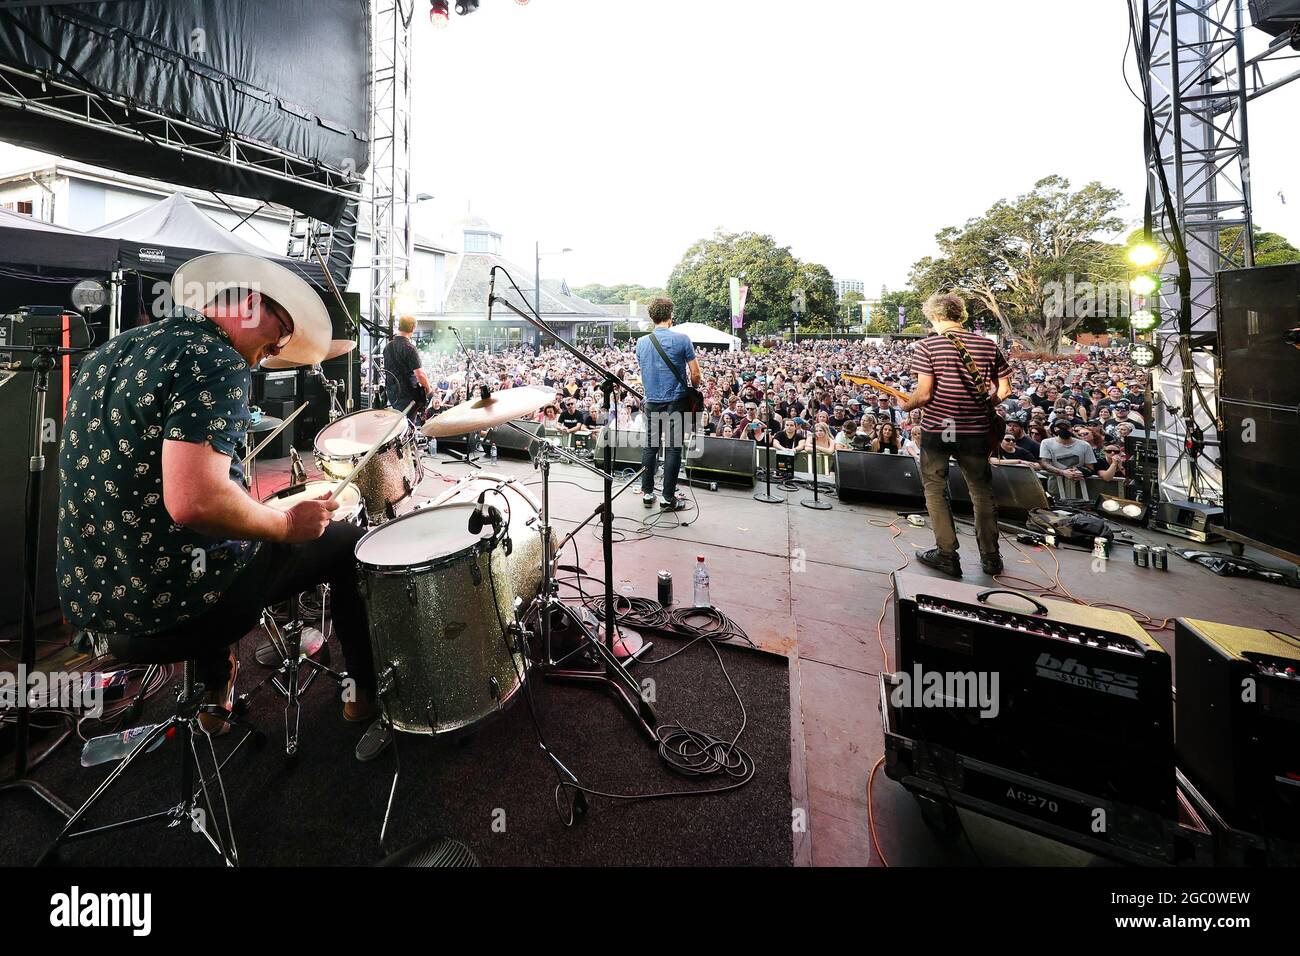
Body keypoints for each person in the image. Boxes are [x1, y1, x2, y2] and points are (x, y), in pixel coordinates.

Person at [56, 253, 381, 756]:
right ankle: (363, 692)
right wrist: (285, 524)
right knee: (345, 541)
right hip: (167, 603)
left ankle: (217, 691)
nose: (271, 353)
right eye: (278, 334)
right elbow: (194, 501)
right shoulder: (217, 359)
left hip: (96, 602)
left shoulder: (110, 352)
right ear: (250, 303)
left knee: (220, 540)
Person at [901, 292, 1012, 577]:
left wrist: (906, 403)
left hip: (940, 428)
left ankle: (947, 554)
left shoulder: (928, 346)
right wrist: (983, 406)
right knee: (982, 492)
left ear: (935, 316)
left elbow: (924, 394)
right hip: (975, 431)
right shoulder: (988, 345)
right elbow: (1005, 390)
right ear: (959, 314)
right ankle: (991, 557)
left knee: (935, 489)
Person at [635, 297, 700, 511]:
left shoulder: (641, 343)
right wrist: (694, 387)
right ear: (671, 315)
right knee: (673, 449)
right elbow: (695, 373)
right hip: (675, 401)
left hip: (652, 401)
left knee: (650, 447)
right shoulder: (683, 339)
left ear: (652, 317)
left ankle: (647, 493)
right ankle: (667, 497)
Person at [382, 315, 430, 420]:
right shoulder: (410, 348)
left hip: (392, 394)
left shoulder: (387, 347)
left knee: (397, 424)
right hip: (407, 395)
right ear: (413, 328)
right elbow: (420, 375)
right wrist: (429, 389)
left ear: (399, 326)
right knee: (407, 426)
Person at [1038, 419, 1098, 499]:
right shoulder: (1046, 443)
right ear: (1055, 429)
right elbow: (1045, 463)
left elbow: (1090, 467)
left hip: (1080, 488)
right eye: (1060, 428)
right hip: (1056, 488)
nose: (1063, 430)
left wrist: (1078, 472)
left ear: (1071, 429)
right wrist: (1063, 472)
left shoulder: (1084, 445)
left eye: (1066, 428)